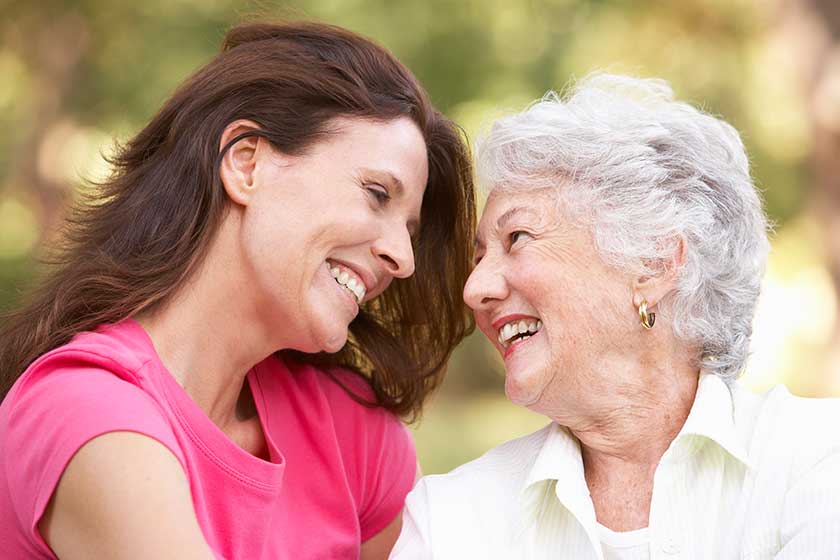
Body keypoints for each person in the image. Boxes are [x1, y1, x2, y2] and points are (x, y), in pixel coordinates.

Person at [0, 21, 475, 560]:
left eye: (409, 232)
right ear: (246, 165)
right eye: (375, 193)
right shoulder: (86, 410)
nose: (404, 260)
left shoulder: (354, 435)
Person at [390, 74, 840, 559]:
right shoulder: (453, 516)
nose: (474, 289)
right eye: (479, 259)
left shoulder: (817, 459)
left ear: (653, 263)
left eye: (517, 237)